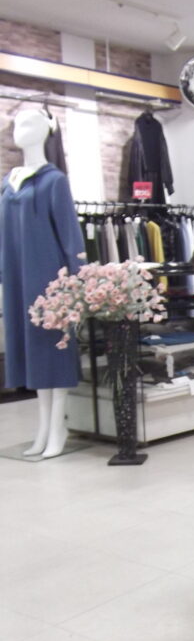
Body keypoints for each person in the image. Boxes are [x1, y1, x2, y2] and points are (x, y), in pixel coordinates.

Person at [0, 108, 83, 457]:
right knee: (29, 350)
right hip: (17, 280)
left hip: (49, 280)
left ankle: (57, 428)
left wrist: (75, 284)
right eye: (17, 122)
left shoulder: (54, 181)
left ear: (47, 130)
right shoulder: (8, 182)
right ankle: (43, 427)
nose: (21, 128)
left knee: (51, 349)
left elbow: (70, 236)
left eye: (30, 122)